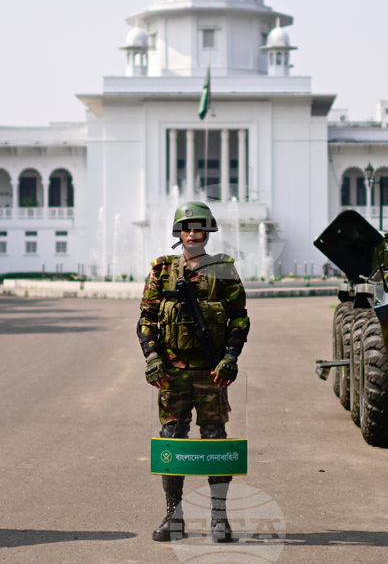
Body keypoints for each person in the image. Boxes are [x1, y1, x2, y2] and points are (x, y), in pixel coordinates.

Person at [138, 202, 250, 543]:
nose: (191, 233)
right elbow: (147, 320)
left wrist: (230, 358)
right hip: (172, 372)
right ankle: (174, 516)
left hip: (211, 372)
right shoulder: (162, 270)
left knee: (215, 440)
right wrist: (153, 359)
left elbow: (240, 318)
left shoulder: (224, 269)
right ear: (178, 232)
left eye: (198, 227)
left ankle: (219, 518)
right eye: (186, 227)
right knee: (172, 439)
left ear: (208, 231)